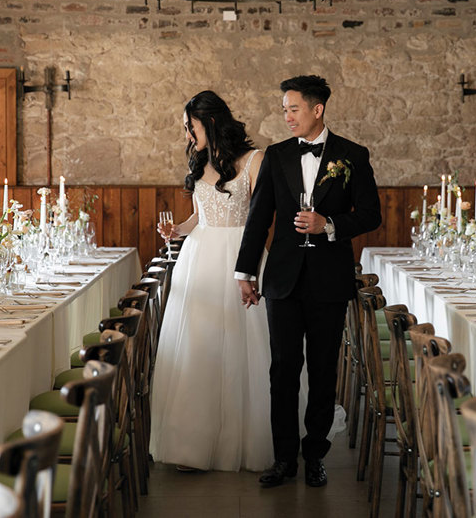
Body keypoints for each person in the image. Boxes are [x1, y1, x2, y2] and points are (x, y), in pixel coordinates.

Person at [235, 75, 382, 488]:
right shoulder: (276, 155)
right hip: (281, 279)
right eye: (284, 109)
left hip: (329, 281)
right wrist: (244, 272)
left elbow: (371, 214)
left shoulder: (352, 154)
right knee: (282, 370)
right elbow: (258, 218)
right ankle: (284, 459)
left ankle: (315, 453)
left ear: (317, 110)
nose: (286, 116)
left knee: (322, 370)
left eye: (293, 108)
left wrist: (329, 224)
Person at [149, 90, 273, 472]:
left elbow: (263, 217)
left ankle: (250, 442)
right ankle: (192, 444)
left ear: (212, 121)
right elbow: (198, 218)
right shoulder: (200, 162)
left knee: (246, 350)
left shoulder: (255, 159)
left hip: (242, 257)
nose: (188, 135)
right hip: (199, 259)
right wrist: (176, 231)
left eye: (191, 127)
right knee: (199, 348)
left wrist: (249, 268)